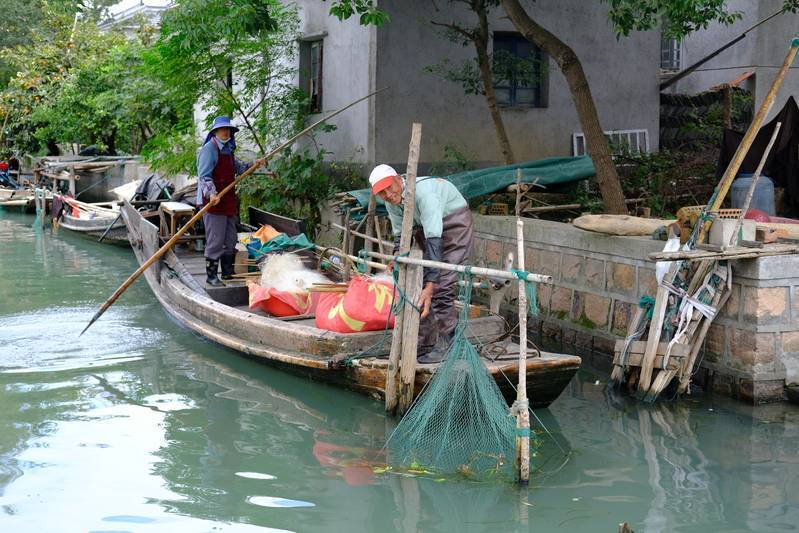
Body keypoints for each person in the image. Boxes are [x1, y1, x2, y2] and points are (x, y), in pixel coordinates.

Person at [369, 164, 473, 363]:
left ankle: (450, 345)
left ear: (399, 179)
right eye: (382, 193)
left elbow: (435, 240)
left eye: (390, 188)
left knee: (441, 285)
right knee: (417, 283)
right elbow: (400, 233)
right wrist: (397, 256)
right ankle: (424, 342)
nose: (388, 195)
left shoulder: (424, 193)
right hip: (426, 230)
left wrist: (431, 285)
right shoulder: (392, 202)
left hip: (454, 225)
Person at [196, 116, 264, 287]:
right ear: (215, 131)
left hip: (228, 201)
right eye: (222, 129)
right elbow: (204, 177)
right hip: (214, 201)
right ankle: (211, 277)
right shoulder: (209, 149)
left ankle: (227, 273)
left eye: (229, 130)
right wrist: (212, 194)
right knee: (216, 240)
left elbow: (239, 168)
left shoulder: (228, 149)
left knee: (231, 238)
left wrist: (253, 165)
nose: (226, 132)